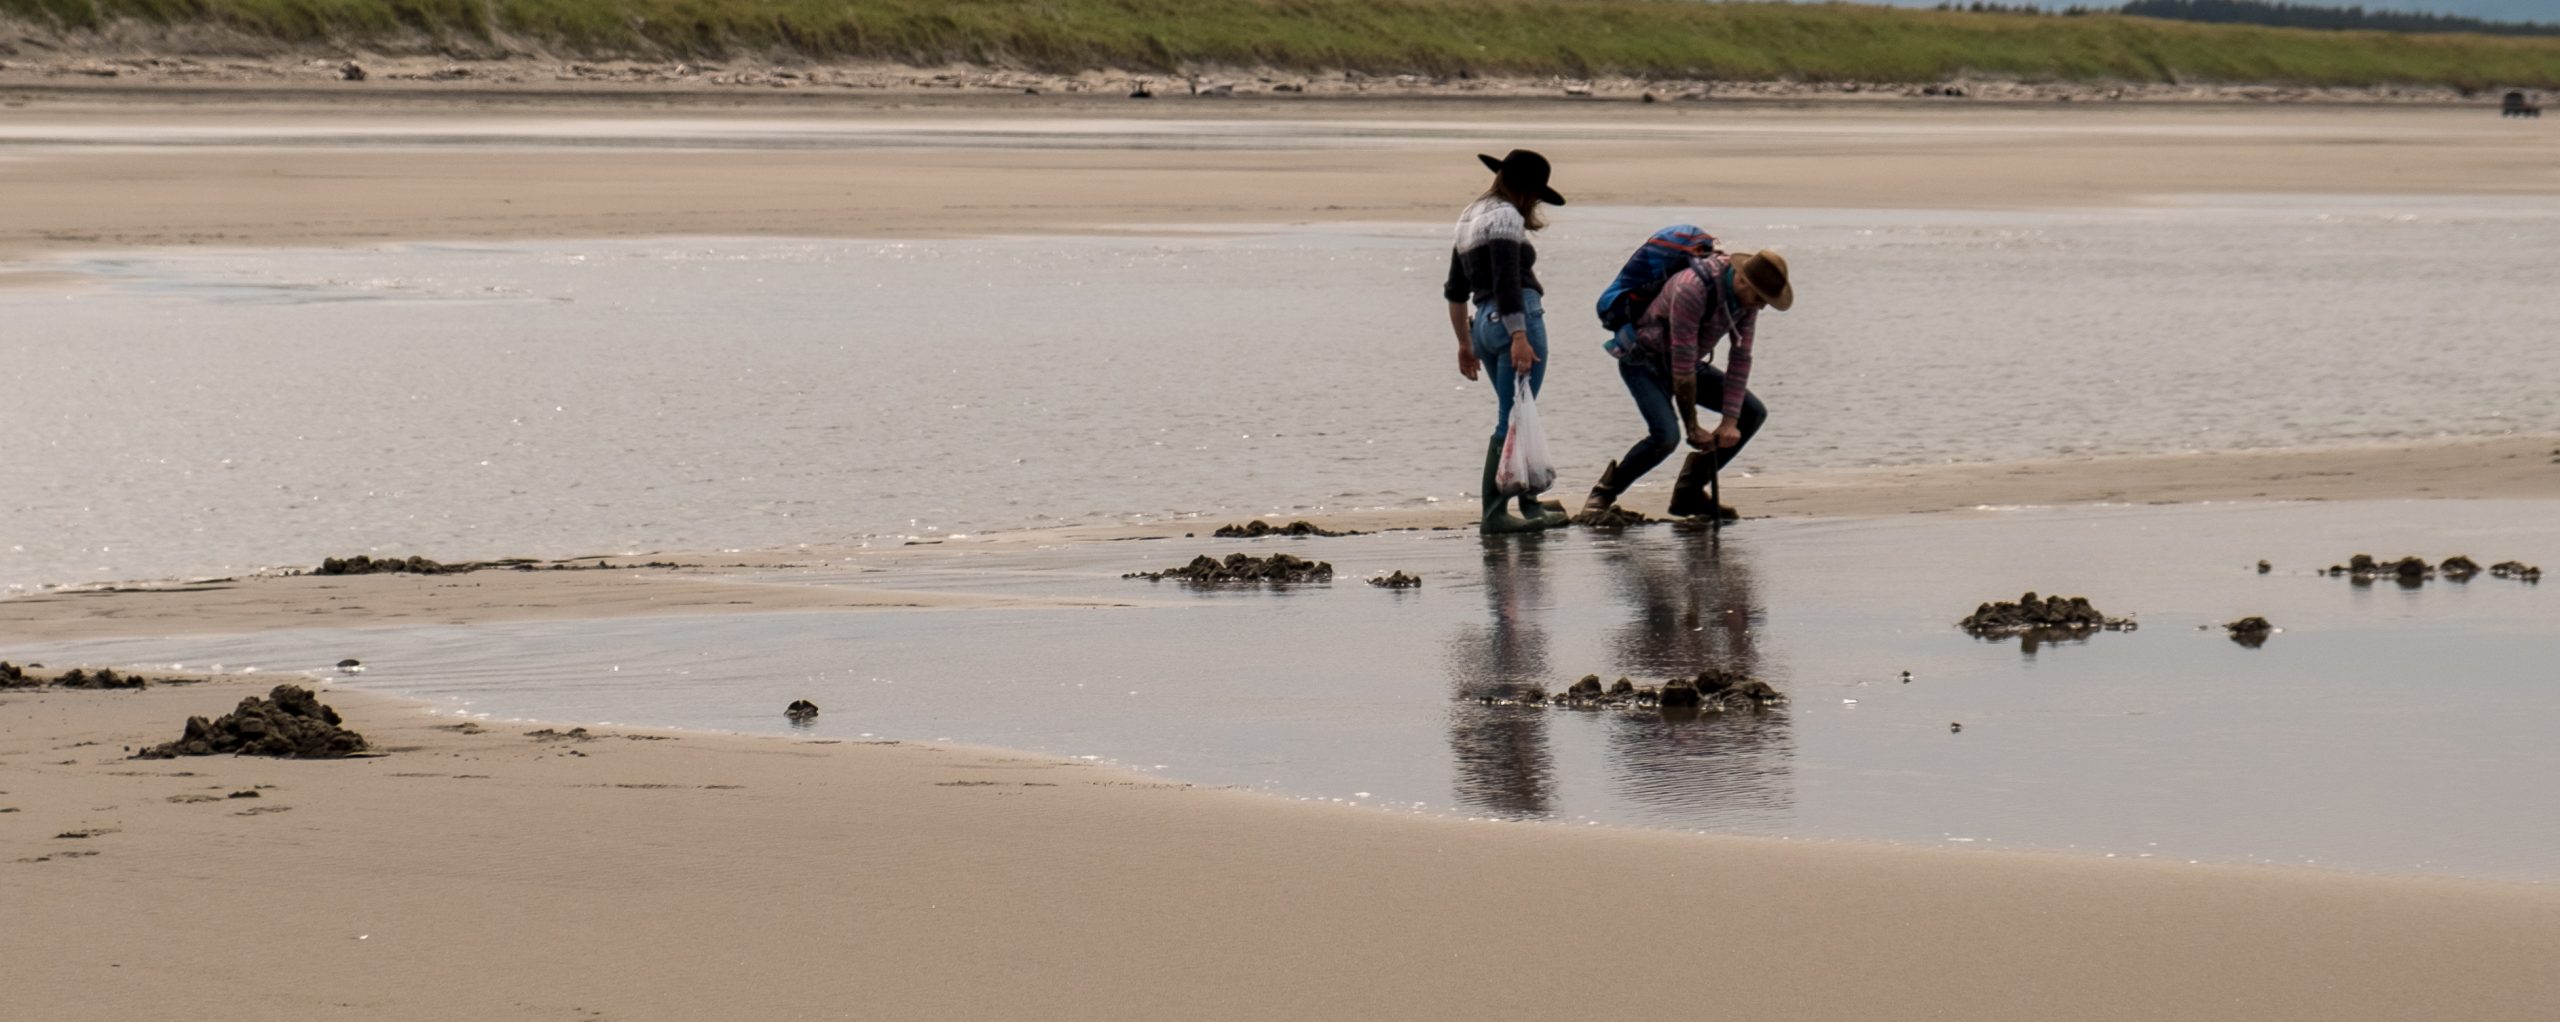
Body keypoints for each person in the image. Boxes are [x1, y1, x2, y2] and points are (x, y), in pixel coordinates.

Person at [1583, 247, 1792, 521]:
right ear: (1742, 280)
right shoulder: (1691, 289)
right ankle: (1604, 493)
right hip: (1645, 360)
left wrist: (1730, 420)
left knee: (1751, 413)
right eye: (1760, 298)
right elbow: (1682, 368)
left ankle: (1689, 493)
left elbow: (1740, 358)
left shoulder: (1745, 301)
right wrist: (1692, 427)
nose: (1761, 306)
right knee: (1666, 436)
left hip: (1687, 362)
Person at [1444, 149, 1570, 533]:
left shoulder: (1470, 215)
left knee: (1520, 411)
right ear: (1529, 191)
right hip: (1516, 318)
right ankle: (1495, 512)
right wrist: (1519, 334)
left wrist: (1465, 343)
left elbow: (1454, 289)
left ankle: (1529, 504)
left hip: (1482, 323)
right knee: (1513, 416)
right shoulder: (1506, 216)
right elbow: (1507, 281)